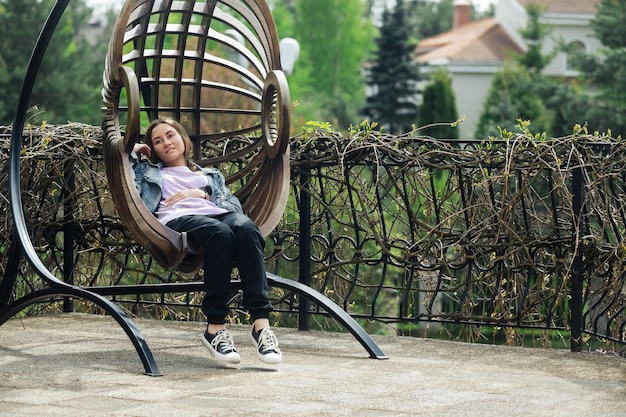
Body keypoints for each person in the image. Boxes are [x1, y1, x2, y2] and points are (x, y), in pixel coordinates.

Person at [131, 117, 282, 365]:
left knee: (246, 228)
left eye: (170, 135)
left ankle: (261, 325)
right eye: (157, 141)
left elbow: (233, 206)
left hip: (218, 214)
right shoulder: (149, 172)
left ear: (182, 138)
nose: (166, 143)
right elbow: (128, 186)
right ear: (153, 150)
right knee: (220, 234)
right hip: (179, 219)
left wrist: (202, 192)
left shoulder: (209, 175)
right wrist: (132, 152)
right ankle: (215, 328)